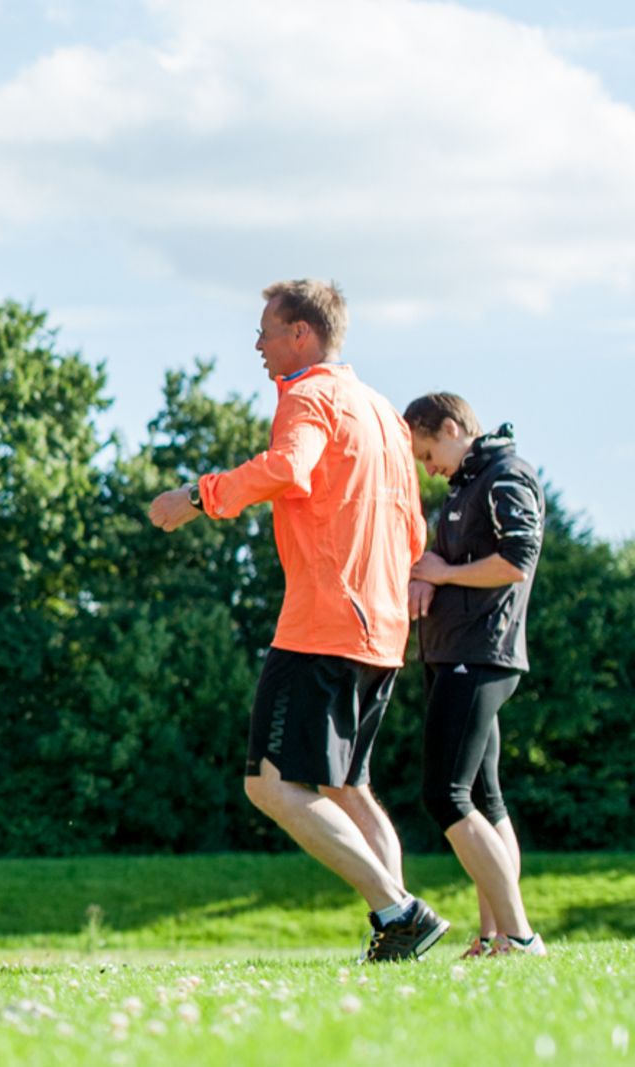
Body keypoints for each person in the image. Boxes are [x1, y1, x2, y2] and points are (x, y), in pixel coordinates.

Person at [147, 279, 441, 962]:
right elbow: (414, 528)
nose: (257, 344)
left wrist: (198, 496)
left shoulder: (309, 395)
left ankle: (400, 911)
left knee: (271, 782)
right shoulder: (382, 412)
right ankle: (400, 929)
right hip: (382, 629)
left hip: (323, 623)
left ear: (302, 334)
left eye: (266, 331)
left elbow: (288, 466)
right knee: (348, 786)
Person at [404, 393, 547, 957]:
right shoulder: (466, 484)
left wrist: (443, 573)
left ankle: (520, 936)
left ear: (451, 427)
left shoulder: (506, 474)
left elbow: (516, 562)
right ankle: (495, 937)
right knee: (486, 800)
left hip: (481, 653)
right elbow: (446, 564)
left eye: (427, 452)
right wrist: (428, 577)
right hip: (451, 651)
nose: (427, 468)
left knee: (445, 794)